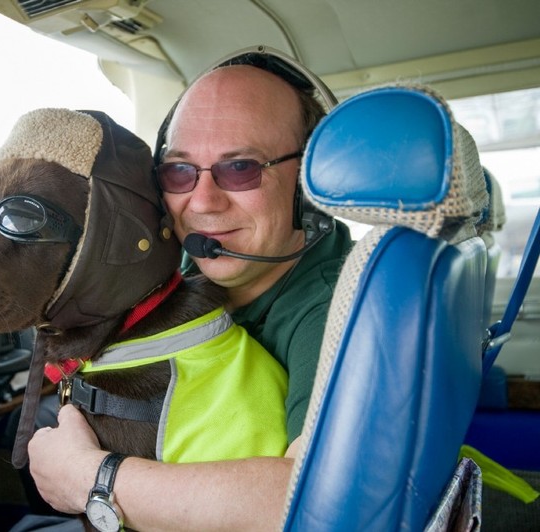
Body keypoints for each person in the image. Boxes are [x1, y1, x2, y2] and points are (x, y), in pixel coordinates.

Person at [23, 49, 354, 530]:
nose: (201, 202)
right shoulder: (184, 260)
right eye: (179, 171)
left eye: (240, 168)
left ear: (310, 182)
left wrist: (91, 479)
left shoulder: (340, 308)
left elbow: (321, 503)